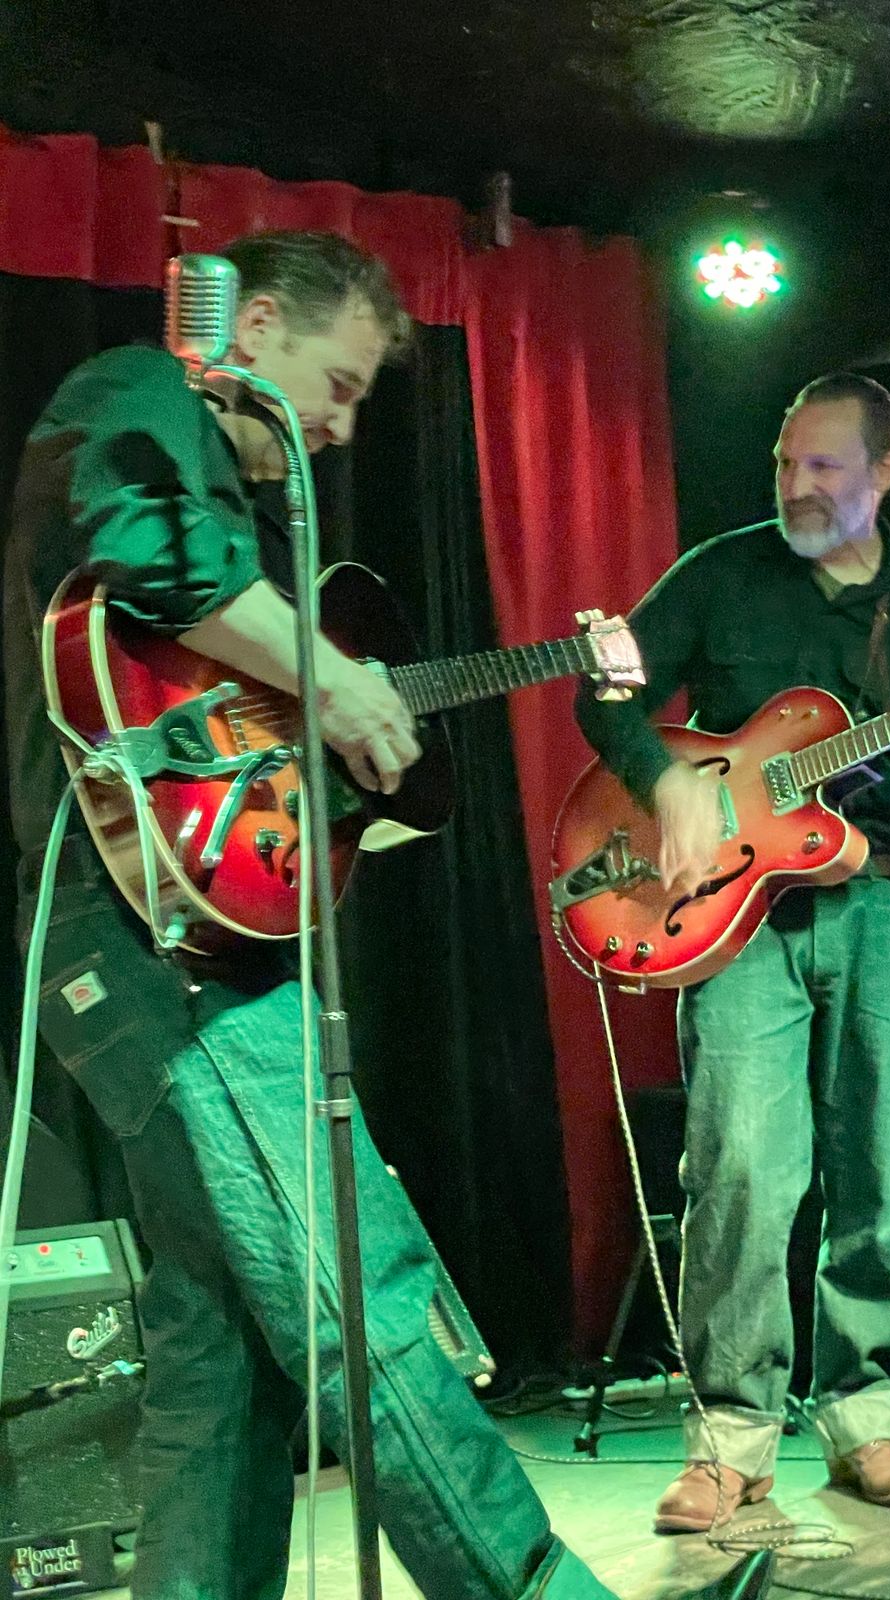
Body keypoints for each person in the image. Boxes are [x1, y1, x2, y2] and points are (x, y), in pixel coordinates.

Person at [3, 229, 667, 1600]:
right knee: (357, 1293)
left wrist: (357, 757)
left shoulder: (256, 522)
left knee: (218, 1354)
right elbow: (144, 548)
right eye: (341, 384)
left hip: (169, 947)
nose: (344, 428)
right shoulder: (139, 391)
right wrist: (336, 678)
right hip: (156, 951)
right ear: (254, 330)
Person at [575, 372, 890, 1530]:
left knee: (878, 1166)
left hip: (885, 897)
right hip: (738, 919)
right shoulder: (719, 574)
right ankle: (730, 1437)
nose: (797, 484)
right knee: (737, 1168)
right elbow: (606, 693)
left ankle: (867, 1417)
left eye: (825, 465)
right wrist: (668, 782)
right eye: (787, 462)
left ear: (886, 470)